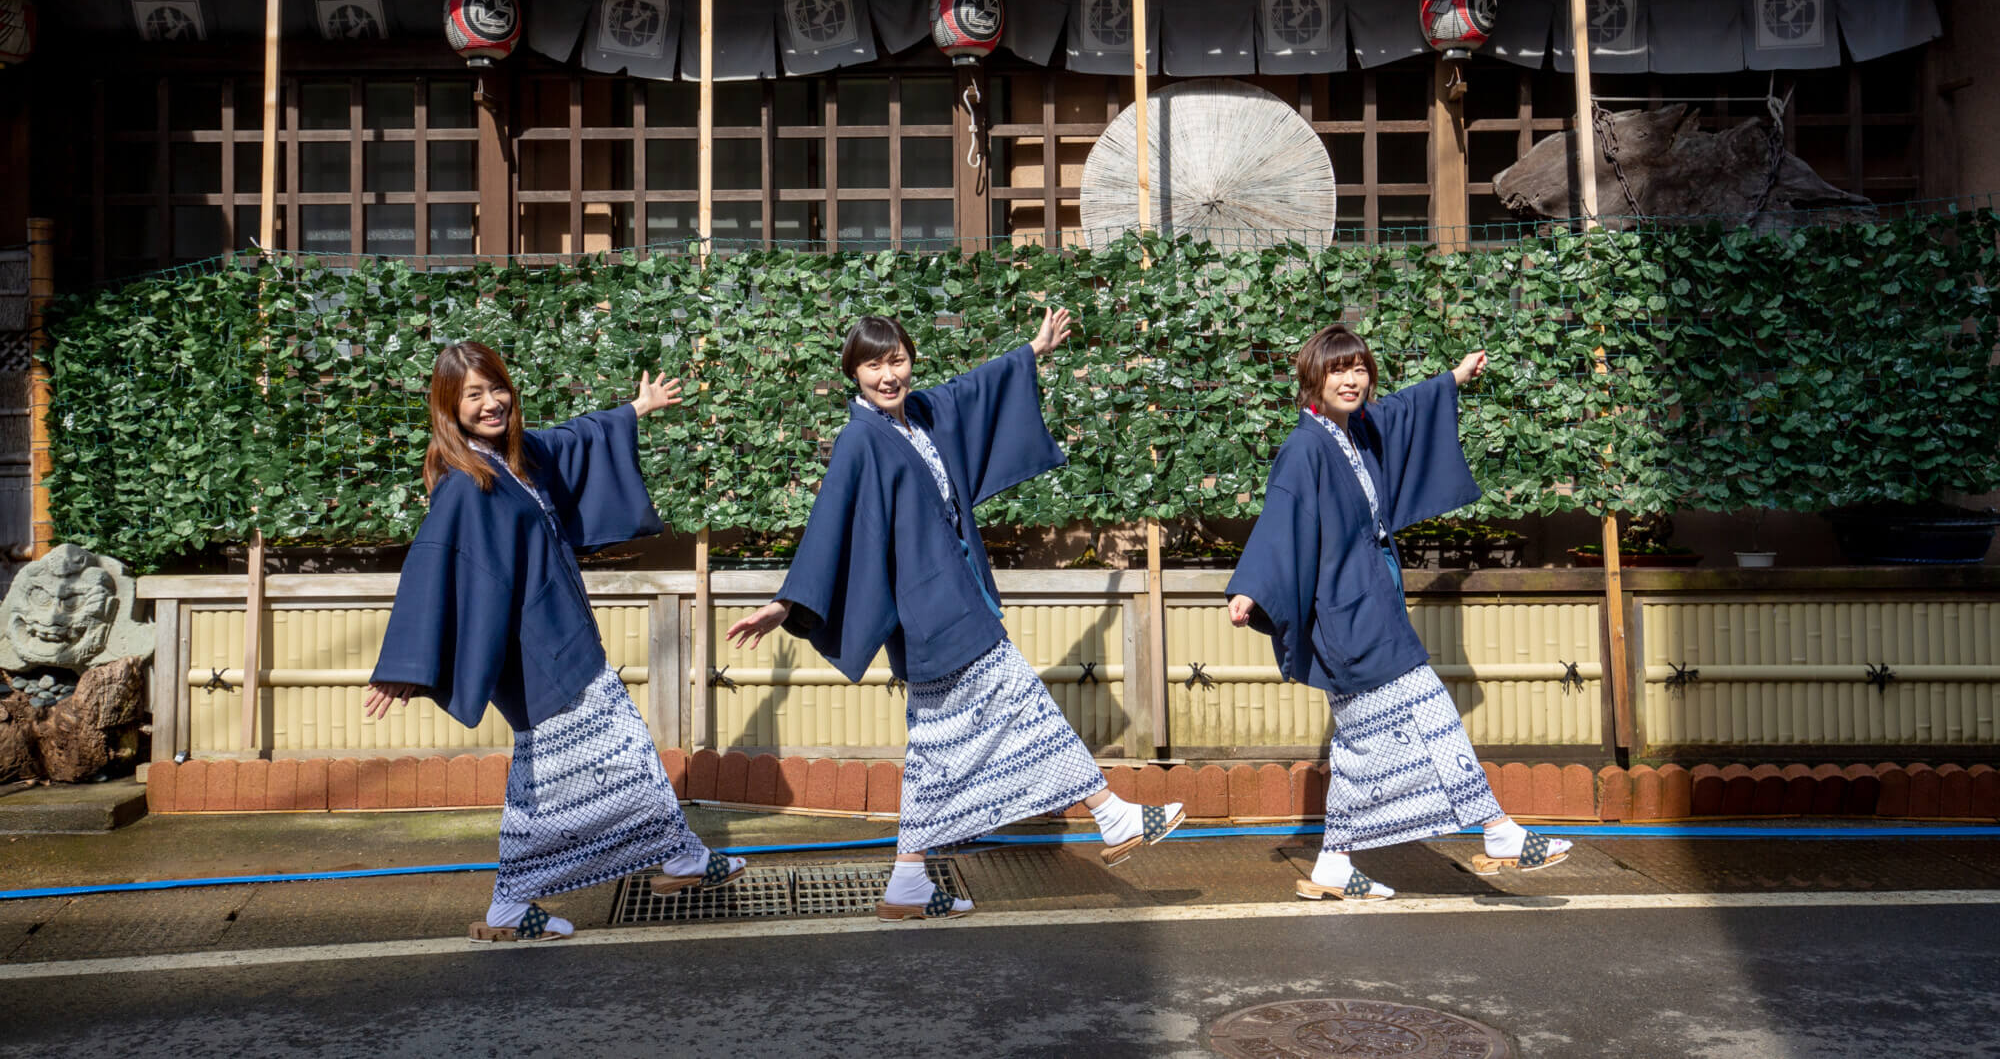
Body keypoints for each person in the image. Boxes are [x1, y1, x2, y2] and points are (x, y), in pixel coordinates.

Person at [726, 310, 1184, 922]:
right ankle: (1111, 813)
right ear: (852, 374)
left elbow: (972, 388)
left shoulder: (920, 417)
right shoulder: (860, 439)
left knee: (936, 750)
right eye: (873, 364)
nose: (889, 375)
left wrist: (1033, 350)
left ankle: (908, 882)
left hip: (950, 603)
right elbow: (831, 523)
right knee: (1023, 702)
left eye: (897, 360)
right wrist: (787, 603)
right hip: (933, 612)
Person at [366, 341, 745, 943]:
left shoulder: (514, 456)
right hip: (534, 648)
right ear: (448, 406)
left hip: (559, 634)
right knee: (615, 748)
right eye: (474, 395)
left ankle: (522, 903)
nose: (492, 403)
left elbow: (575, 438)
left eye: (497, 388)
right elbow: (432, 563)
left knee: (560, 770)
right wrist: (408, 662)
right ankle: (674, 858)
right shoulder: (467, 483)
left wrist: (635, 410)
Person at [1226, 324, 1571, 902]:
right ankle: (1499, 830)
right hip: (1346, 615)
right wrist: (1253, 588)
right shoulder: (1306, 447)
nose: (1352, 380)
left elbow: (1402, 411)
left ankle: (1334, 863)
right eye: (1338, 370)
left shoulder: (1352, 431)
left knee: (1361, 745)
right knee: (1432, 713)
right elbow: (1278, 519)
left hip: (1366, 602)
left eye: (1359, 368)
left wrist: (1453, 379)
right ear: (1315, 377)